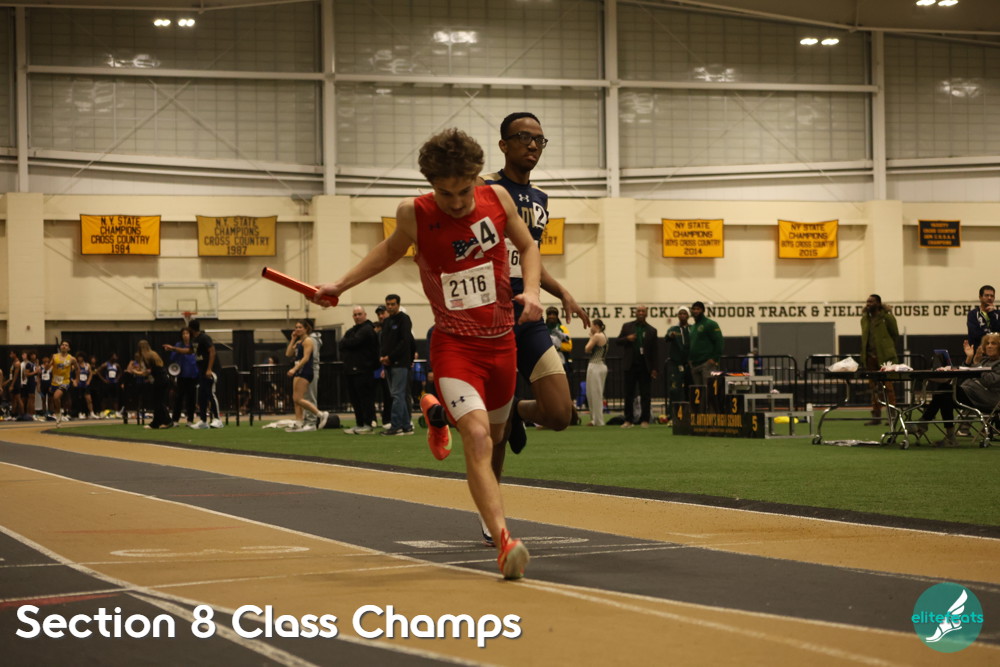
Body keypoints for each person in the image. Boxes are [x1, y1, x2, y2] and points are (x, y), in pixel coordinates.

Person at [313, 127, 539, 580]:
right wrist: (340, 284)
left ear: (477, 177)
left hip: (502, 344)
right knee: (478, 438)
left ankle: (437, 413)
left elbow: (529, 244)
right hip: (455, 345)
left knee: (496, 437)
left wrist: (531, 290)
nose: (455, 202)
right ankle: (503, 540)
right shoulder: (413, 213)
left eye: (463, 191)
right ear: (430, 184)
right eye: (444, 193)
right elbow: (389, 250)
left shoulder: (498, 199)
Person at [483, 112, 589, 456]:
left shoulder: (541, 197)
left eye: (539, 139)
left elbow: (531, 256)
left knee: (560, 414)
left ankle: (517, 410)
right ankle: (491, 493)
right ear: (503, 145)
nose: (532, 145)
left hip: (528, 314)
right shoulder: (484, 187)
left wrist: (563, 292)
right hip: (490, 314)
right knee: (495, 432)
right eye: (523, 137)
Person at [913, 334, 1000, 446]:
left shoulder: (991, 363)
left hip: (989, 399)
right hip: (970, 393)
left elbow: (989, 381)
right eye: (987, 343)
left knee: (945, 391)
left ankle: (925, 423)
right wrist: (969, 359)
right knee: (945, 395)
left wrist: (977, 364)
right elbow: (962, 376)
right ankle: (948, 436)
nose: (989, 346)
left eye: (993, 343)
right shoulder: (983, 361)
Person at [615, 305, 659, 428]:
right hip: (630, 365)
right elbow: (617, 341)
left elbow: (655, 351)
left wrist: (654, 368)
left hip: (645, 366)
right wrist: (627, 338)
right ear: (635, 313)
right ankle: (628, 420)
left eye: (643, 311)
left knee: (646, 394)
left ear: (646, 313)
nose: (640, 313)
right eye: (638, 311)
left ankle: (645, 420)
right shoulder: (627, 326)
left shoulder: (652, 330)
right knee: (628, 394)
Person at [284, 319, 330, 432]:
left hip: (306, 370)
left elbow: (306, 358)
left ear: (306, 329)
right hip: (299, 369)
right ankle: (300, 421)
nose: (297, 329)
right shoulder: (299, 341)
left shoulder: (309, 340)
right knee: (296, 398)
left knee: (306, 397)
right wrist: (293, 339)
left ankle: (316, 418)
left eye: (300, 327)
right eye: (296, 327)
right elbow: (288, 353)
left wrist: (294, 369)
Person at [379, 294, 416, 436]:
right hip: (388, 363)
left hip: (400, 363)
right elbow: (384, 342)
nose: (390, 307)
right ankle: (406, 426)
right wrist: (383, 357)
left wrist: (391, 357)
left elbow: (406, 341)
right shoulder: (387, 321)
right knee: (398, 394)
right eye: (388, 304)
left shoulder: (404, 319)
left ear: (398, 305)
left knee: (397, 395)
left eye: (393, 304)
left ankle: (396, 426)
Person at [340, 305, 380, 434]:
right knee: (355, 399)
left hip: (364, 370)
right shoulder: (353, 330)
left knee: (365, 399)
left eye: (359, 314)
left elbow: (353, 342)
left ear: (365, 315)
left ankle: (368, 424)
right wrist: (348, 343)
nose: (357, 317)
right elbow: (342, 344)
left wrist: (348, 342)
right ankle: (360, 423)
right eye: (355, 315)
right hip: (351, 369)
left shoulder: (367, 329)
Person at [860, 294, 899, 425]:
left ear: (878, 303)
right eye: (867, 301)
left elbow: (895, 335)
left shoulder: (887, 318)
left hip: (885, 357)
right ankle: (876, 416)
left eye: (871, 302)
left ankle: (892, 416)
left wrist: (887, 349)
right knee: (874, 388)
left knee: (888, 387)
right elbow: (864, 338)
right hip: (870, 357)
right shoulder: (864, 319)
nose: (868, 304)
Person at [186, 319, 224, 429]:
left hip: (210, 370)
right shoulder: (194, 339)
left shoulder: (204, 337)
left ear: (191, 328)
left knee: (210, 393)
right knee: (202, 395)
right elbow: (190, 351)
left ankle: (217, 419)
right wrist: (174, 349)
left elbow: (212, 351)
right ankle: (203, 421)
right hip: (202, 371)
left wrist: (209, 369)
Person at [163, 328, 198, 424]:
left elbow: (196, 357)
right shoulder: (178, 345)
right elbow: (172, 358)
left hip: (192, 375)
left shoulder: (194, 345)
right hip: (181, 375)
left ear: (190, 335)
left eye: (187, 333)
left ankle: (190, 420)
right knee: (178, 398)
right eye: (183, 334)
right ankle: (175, 420)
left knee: (191, 399)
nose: (185, 335)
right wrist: (175, 351)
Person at [136, 340, 172, 429]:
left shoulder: (147, 356)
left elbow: (148, 371)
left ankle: (167, 421)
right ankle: (156, 422)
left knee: (159, 403)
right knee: (157, 402)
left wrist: (135, 372)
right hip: (163, 379)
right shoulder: (153, 354)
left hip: (160, 380)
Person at [688, 301, 724, 388]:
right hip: (695, 365)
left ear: (703, 311)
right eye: (694, 309)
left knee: (708, 391)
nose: (695, 311)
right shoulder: (693, 327)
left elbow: (719, 342)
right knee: (698, 392)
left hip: (707, 364)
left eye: (698, 309)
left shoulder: (710, 324)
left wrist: (714, 359)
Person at [665, 306, 692, 419]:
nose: (682, 316)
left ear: (688, 315)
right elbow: (667, 338)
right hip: (676, 364)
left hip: (690, 364)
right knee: (675, 390)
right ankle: (673, 415)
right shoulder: (673, 329)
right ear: (677, 315)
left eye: (684, 313)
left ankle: (690, 414)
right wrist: (670, 336)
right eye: (680, 313)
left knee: (690, 389)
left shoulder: (692, 328)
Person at [584, 319, 608, 426]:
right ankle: (595, 419)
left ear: (596, 326)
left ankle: (598, 420)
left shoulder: (597, 336)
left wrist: (591, 337)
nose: (591, 328)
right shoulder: (604, 335)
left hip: (596, 365)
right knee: (594, 393)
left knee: (595, 394)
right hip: (600, 364)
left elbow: (587, 348)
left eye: (592, 325)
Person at [49, 341, 79, 422]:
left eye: (66, 345)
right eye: (62, 345)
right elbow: (48, 367)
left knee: (56, 397)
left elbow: (77, 369)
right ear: (60, 347)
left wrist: (76, 380)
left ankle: (59, 414)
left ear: (69, 348)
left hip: (65, 382)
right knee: (55, 399)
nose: (64, 346)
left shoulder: (72, 358)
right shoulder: (54, 356)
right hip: (55, 382)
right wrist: (47, 365)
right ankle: (58, 412)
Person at [967, 284, 999, 349]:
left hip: (996, 352)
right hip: (979, 351)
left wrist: (991, 314)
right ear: (980, 297)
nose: (989, 298)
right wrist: (992, 335)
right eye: (986, 295)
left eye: (992, 296)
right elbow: (975, 334)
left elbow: (998, 331)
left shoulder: (998, 314)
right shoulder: (973, 314)